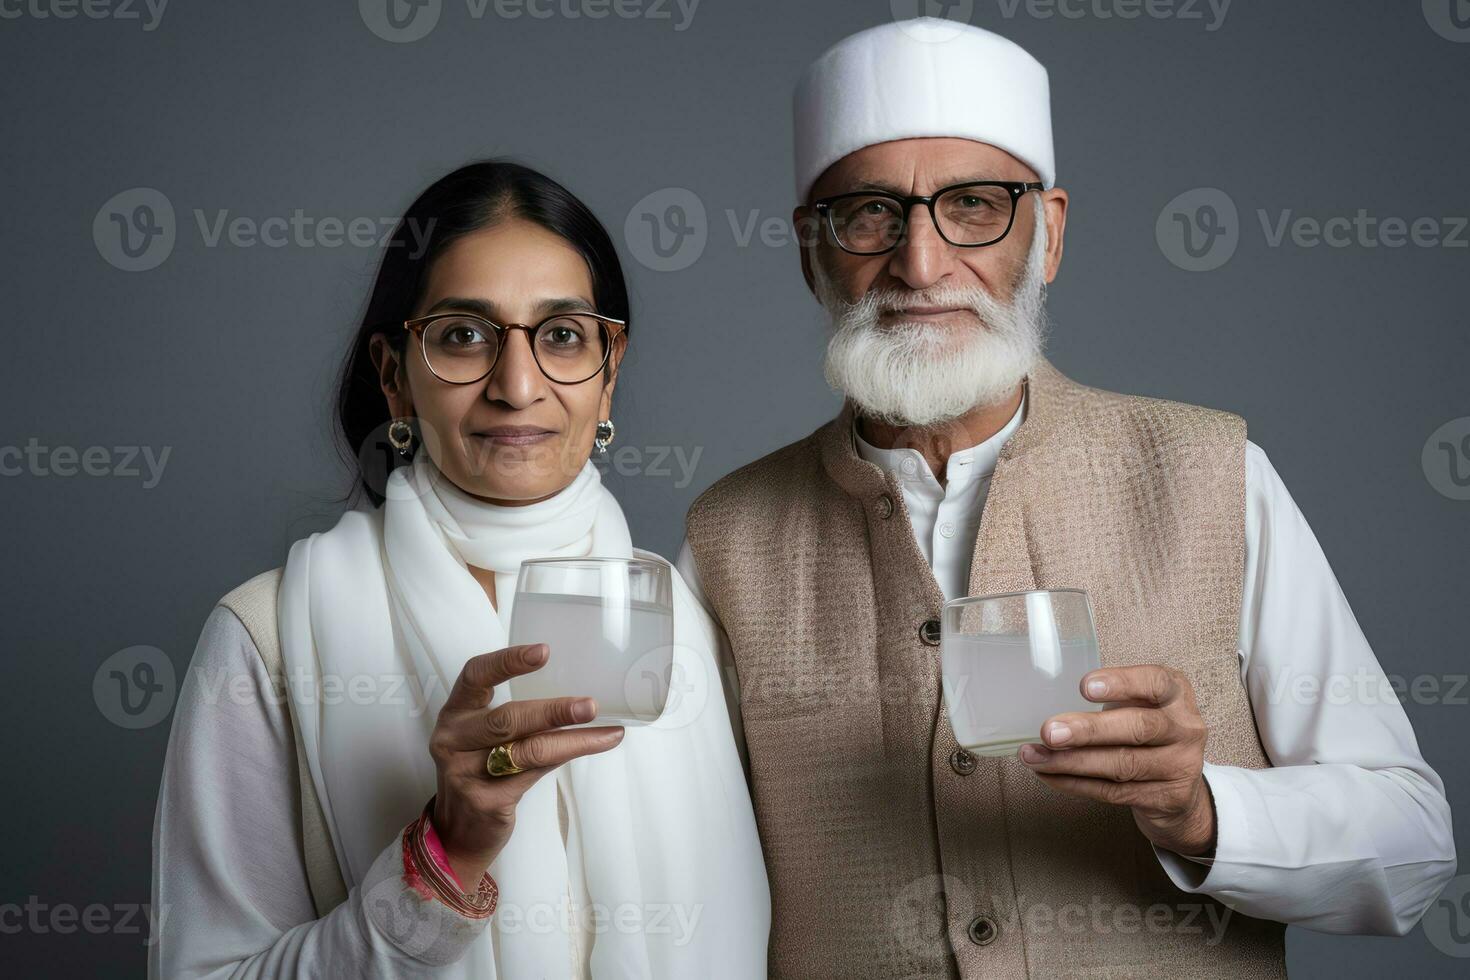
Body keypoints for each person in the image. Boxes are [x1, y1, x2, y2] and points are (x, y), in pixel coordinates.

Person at [675, 18, 1456, 979]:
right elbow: (681, 880)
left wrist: (1201, 808)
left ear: (1046, 235)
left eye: (973, 207)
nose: (921, 265)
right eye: (871, 212)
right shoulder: (726, 540)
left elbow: (1414, 850)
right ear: (810, 251)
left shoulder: (1210, 474)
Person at [150, 160, 770, 978]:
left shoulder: (693, 614)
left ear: (609, 371)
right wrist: (442, 856)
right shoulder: (266, 640)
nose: (517, 387)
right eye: (463, 335)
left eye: (561, 335)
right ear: (392, 377)